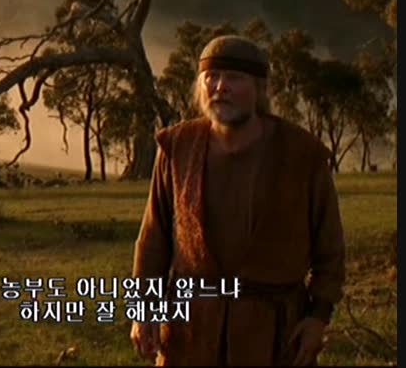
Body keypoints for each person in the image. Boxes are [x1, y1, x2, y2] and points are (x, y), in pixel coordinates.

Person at [129, 35, 345, 366]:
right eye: (211, 77)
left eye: (234, 77)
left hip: (273, 332)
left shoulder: (302, 154)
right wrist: (144, 309)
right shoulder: (177, 148)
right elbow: (153, 241)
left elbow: (329, 249)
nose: (220, 87)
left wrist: (318, 317)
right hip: (192, 331)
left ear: (259, 88)